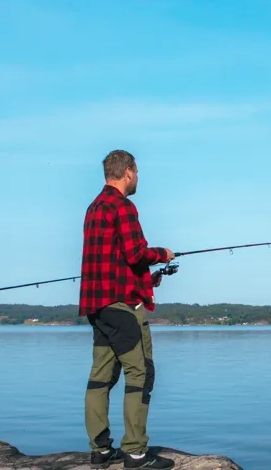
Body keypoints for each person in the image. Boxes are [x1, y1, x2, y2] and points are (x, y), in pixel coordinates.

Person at [80, 150, 176, 469]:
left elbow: (117, 261)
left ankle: (100, 449)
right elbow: (136, 252)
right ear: (129, 172)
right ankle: (135, 452)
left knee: (101, 376)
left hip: (98, 305)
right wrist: (163, 253)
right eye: (137, 172)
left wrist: (149, 280)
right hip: (122, 308)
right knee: (140, 372)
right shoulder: (122, 205)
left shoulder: (94, 208)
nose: (138, 178)